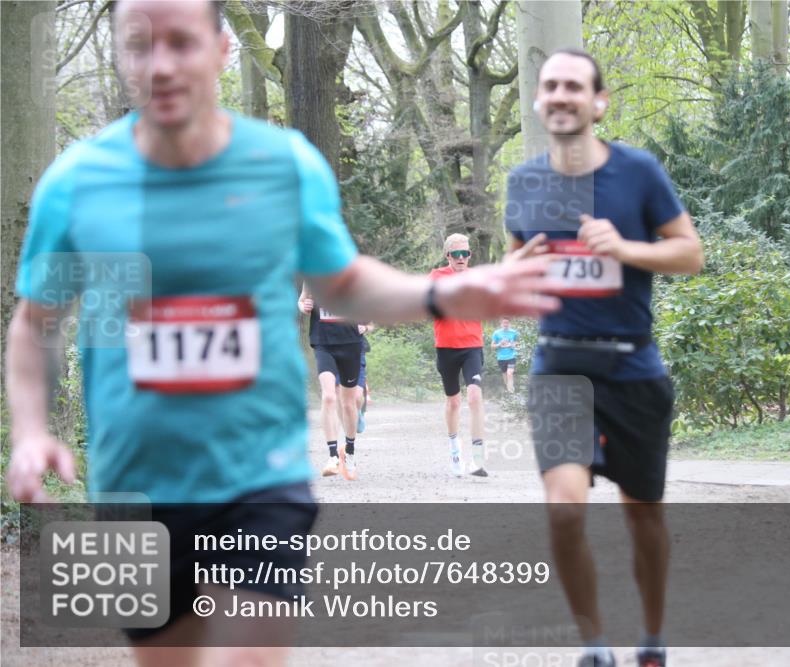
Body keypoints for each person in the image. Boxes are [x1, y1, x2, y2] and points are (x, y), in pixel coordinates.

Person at [3, 1, 557, 664]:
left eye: (182, 42)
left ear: (222, 49)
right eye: (140, 44)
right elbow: (35, 324)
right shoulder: (77, 182)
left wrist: (443, 293)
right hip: (134, 481)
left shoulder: (282, 166)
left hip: (258, 472)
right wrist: (31, 432)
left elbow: (342, 283)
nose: (162, 64)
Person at [504, 48, 704, 667]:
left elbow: (690, 253)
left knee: (643, 515)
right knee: (564, 510)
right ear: (539, 100)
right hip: (559, 365)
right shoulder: (524, 181)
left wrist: (624, 248)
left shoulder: (637, 171)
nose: (560, 95)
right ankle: (594, 645)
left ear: (599, 102)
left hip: (632, 365)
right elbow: (514, 270)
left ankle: (652, 636)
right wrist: (514, 271)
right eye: (550, 86)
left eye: (573, 85)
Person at [431, 234, 489, 478]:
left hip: (472, 346)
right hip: (446, 347)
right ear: (448, 256)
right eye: (457, 254)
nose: (462, 257)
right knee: (453, 402)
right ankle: (455, 449)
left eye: (466, 253)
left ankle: (477, 459)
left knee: (474, 397)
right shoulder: (437, 277)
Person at [297, 285, 363, 480]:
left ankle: (349, 452)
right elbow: (302, 300)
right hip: (323, 342)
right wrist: (304, 306)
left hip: (350, 342)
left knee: (348, 404)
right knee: (328, 396)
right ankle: (333, 456)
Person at [491, 318, 520, 392]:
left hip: (511, 356)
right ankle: (508, 388)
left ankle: (511, 389)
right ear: (501, 324)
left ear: (510, 324)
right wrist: (499, 344)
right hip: (501, 358)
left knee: (509, 373)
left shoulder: (513, 332)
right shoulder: (496, 333)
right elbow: (492, 346)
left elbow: (517, 342)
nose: (505, 324)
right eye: (504, 323)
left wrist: (512, 345)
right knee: (504, 374)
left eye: (507, 323)